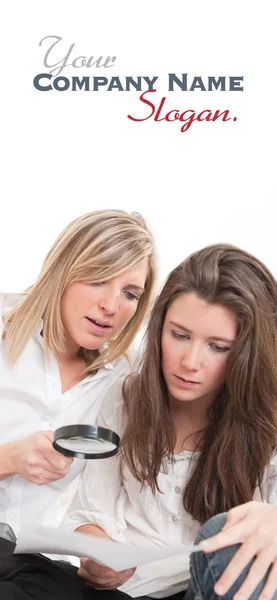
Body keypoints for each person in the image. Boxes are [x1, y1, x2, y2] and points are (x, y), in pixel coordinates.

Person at [62, 243, 277, 600]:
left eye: (218, 347)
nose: (190, 362)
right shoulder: (125, 396)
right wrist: (96, 553)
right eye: (179, 335)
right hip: (131, 590)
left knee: (227, 538)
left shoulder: (267, 424)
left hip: (212, 587)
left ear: (248, 354)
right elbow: (91, 509)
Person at [0, 209, 156, 599]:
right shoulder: (6, 333)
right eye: (99, 278)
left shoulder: (126, 382)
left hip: (48, 571)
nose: (111, 306)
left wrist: (100, 555)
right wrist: (12, 459)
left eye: (130, 293)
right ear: (65, 270)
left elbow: (103, 501)